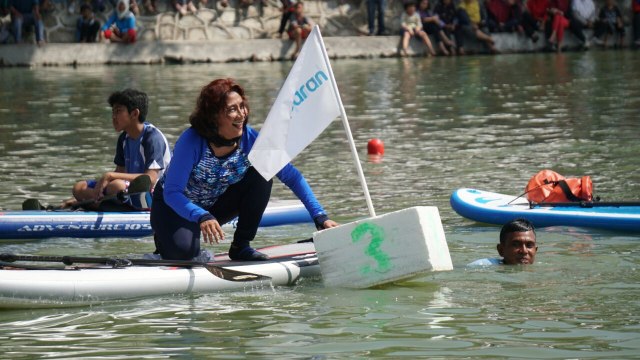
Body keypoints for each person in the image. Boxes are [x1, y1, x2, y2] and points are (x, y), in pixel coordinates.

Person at [150, 78, 338, 262]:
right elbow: (172, 193)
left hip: (213, 204)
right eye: (232, 109)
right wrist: (201, 216)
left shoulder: (251, 139)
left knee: (262, 176)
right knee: (183, 256)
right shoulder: (192, 141)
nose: (241, 114)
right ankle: (165, 239)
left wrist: (320, 217)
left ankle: (241, 246)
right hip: (172, 207)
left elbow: (292, 177)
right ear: (213, 115)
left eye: (242, 106)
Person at [65, 89, 171, 210]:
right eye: (113, 112)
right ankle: (98, 202)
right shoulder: (123, 139)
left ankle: (92, 203)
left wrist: (109, 176)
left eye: (118, 111)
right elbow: (120, 172)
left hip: (157, 193)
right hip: (127, 192)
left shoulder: (152, 138)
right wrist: (100, 187)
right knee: (79, 187)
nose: (114, 117)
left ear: (134, 114)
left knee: (116, 186)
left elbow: (151, 179)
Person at [468, 218, 538, 266]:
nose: (524, 251)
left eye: (529, 245)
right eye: (515, 245)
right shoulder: (481, 267)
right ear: (501, 250)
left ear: (535, 250)